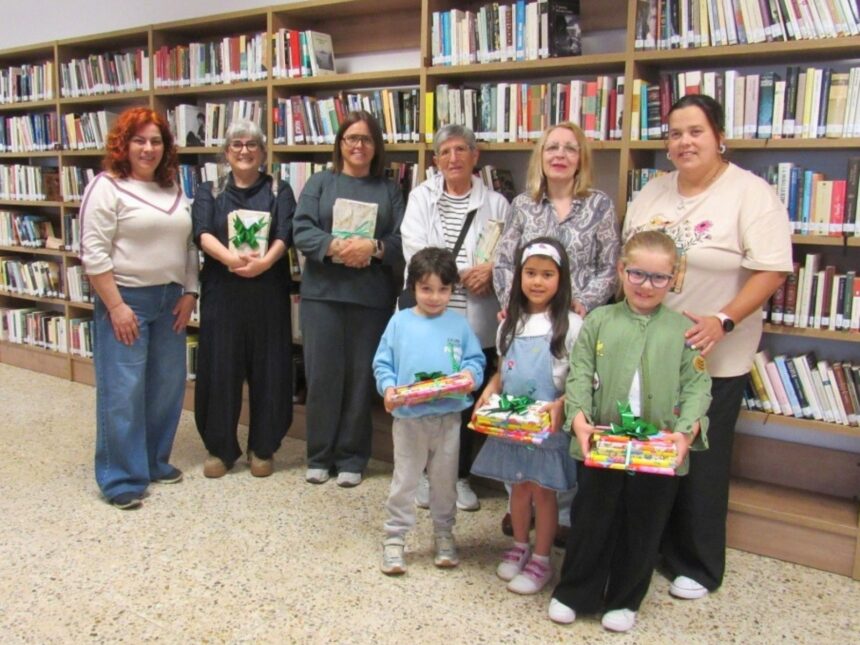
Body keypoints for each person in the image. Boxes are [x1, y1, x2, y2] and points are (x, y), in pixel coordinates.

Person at [623, 94, 792, 599]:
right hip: (649, 351)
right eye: (674, 133)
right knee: (652, 451)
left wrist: (724, 319)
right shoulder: (652, 189)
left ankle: (696, 564)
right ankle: (651, 549)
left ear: (719, 136)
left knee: (700, 459)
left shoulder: (750, 193)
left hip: (712, 353)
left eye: (695, 131)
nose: (683, 142)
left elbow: (773, 268)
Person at [548, 230, 712, 633]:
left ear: (674, 278)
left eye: (658, 277)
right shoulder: (600, 321)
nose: (646, 285)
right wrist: (579, 418)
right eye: (637, 274)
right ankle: (574, 592)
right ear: (621, 271)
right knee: (591, 519)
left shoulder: (682, 330)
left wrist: (685, 433)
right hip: (602, 444)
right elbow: (580, 373)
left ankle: (625, 599)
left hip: (657, 451)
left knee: (644, 525)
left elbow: (697, 387)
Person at [492, 122, 620, 541]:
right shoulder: (523, 206)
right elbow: (504, 262)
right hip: (527, 321)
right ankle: (521, 506)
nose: (560, 154)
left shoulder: (599, 205)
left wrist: (581, 301)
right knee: (523, 410)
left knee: (564, 408)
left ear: (581, 156)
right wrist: (513, 303)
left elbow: (608, 265)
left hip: (574, 324)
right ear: (541, 157)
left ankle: (559, 517)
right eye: (552, 148)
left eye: (570, 148)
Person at [80, 107, 198, 510]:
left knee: (167, 385)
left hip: (171, 300)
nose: (148, 148)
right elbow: (93, 253)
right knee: (123, 390)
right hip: (125, 298)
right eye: (139, 140)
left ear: (166, 148)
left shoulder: (175, 190)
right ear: (124, 145)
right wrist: (115, 306)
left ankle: (152, 461)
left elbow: (189, 245)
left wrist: (190, 293)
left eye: (156, 141)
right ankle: (121, 478)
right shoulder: (106, 187)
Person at [401, 124, 512, 512]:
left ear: (475, 155)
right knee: (429, 394)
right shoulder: (420, 198)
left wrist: (492, 270)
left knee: (463, 400)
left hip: (474, 319)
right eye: (445, 152)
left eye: (461, 150)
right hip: (432, 313)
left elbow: (507, 252)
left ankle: (459, 477)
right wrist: (459, 271)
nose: (453, 158)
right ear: (435, 160)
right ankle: (425, 476)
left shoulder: (497, 203)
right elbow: (416, 251)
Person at [293, 110, 405, 488]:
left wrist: (371, 248)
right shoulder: (321, 182)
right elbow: (301, 230)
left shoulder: (389, 190)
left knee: (361, 380)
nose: (359, 145)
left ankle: (353, 457)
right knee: (322, 376)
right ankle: (319, 455)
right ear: (340, 144)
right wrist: (335, 247)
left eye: (367, 139)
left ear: (377, 147)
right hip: (322, 296)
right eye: (351, 138)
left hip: (370, 299)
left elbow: (402, 241)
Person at [471, 237, 583, 594]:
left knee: (543, 493)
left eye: (547, 274)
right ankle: (519, 545)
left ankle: (541, 558)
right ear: (519, 276)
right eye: (530, 273)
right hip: (512, 424)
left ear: (561, 279)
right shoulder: (509, 324)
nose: (537, 281)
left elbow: (580, 380)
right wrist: (491, 388)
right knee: (517, 490)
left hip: (548, 428)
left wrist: (564, 403)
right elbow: (504, 370)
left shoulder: (572, 324)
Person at [192, 120, 296, 479]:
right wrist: (232, 260)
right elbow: (202, 232)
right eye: (237, 144)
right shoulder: (210, 190)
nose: (244, 150)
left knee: (270, 368)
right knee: (221, 368)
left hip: (268, 291)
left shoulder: (280, 190)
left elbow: (285, 233)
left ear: (263, 153)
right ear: (226, 152)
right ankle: (220, 448)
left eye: (252, 144)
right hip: (224, 290)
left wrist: (264, 263)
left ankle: (262, 447)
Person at [372, 247, 486, 575]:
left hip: (449, 417)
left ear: (453, 290)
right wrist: (389, 388)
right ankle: (395, 538)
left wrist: (470, 376)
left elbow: (474, 361)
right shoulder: (400, 322)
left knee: (444, 481)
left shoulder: (459, 324)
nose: (435, 297)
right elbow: (383, 363)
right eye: (426, 289)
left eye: (443, 289)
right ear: (413, 288)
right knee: (405, 479)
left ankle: (444, 533)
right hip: (409, 419)